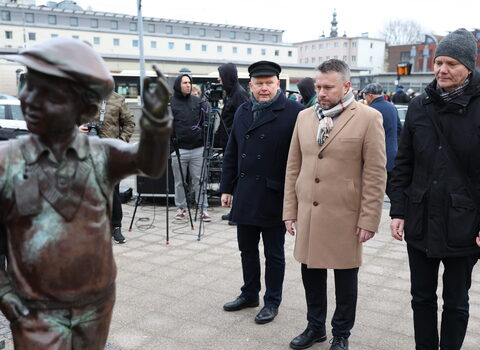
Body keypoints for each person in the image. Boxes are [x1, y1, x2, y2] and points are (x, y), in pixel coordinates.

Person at [0, 37, 171, 349]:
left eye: (51, 95)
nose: (31, 100)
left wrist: (157, 121)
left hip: (96, 304)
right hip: (36, 311)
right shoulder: (5, 161)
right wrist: (5, 295)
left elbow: (150, 163)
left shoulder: (101, 154)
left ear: (86, 110)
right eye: (29, 85)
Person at [283, 59, 386, 350]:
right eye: (318, 86)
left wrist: (369, 218)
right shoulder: (304, 118)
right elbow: (294, 165)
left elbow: (376, 172)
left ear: (346, 86)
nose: (322, 92)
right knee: (310, 272)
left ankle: (341, 333)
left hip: (345, 213)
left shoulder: (367, 118)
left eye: (328, 87)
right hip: (309, 212)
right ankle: (315, 327)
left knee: (345, 278)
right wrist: (289, 211)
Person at [390, 28, 480, 350]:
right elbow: (403, 163)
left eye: (451, 63)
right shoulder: (420, 106)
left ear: (469, 66)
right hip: (420, 218)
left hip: (463, 223)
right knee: (421, 298)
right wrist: (398, 210)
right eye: (438, 61)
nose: (441, 69)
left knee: (456, 302)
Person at [220, 60, 304, 324]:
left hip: (274, 194)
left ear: (278, 84)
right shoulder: (244, 110)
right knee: (246, 249)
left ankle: (272, 301)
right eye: (259, 83)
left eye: (269, 83)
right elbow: (231, 151)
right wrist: (226, 187)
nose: (264, 88)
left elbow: (302, 156)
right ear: (251, 85)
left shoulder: (294, 112)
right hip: (245, 192)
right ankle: (249, 293)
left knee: (274, 254)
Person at [79, 91, 136, 243]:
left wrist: (121, 142)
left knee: (113, 192)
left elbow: (130, 123)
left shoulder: (118, 99)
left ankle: (116, 227)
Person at [170, 74, 211, 222]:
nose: (188, 85)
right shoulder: (171, 103)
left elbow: (206, 125)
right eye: (185, 83)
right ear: (178, 85)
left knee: (199, 179)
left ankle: (203, 209)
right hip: (178, 149)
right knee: (180, 181)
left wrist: (205, 144)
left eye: (189, 82)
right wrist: (171, 150)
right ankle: (181, 208)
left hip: (197, 149)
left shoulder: (198, 101)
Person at [216, 62, 249, 224]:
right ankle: (234, 211)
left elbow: (243, 120)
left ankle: (238, 212)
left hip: (236, 143)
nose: (218, 79)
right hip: (228, 141)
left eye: (220, 76)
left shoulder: (239, 94)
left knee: (238, 178)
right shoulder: (231, 93)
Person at [362, 82, 401, 199]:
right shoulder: (392, 107)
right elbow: (399, 129)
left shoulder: (370, 110)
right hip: (392, 155)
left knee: (373, 192)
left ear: (370, 95)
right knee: (394, 191)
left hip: (378, 157)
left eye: (365, 96)